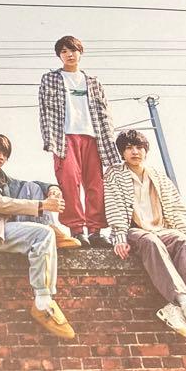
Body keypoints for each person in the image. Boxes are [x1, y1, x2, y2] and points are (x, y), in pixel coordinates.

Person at [104, 128, 186, 337]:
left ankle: (177, 309)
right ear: (122, 153)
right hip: (134, 231)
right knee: (151, 241)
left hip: (162, 229)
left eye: (139, 147)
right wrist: (119, 237)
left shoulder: (158, 176)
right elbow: (114, 205)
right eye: (129, 148)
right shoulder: (114, 174)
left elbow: (176, 208)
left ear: (146, 150)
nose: (135, 152)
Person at [0, 133, 76, 340]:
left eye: (5, 154)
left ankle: (52, 231)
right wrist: (42, 206)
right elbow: (0, 204)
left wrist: (52, 189)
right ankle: (43, 302)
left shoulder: (1, 177)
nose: (1, 157)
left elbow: (29, 184)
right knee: (43, 234)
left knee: (31, 188)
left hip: (8, 227)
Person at [38, 34, 117, 247]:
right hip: (64, 136)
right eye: (64, 51)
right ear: (59, 56)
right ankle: (77, 230)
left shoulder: (93, 82)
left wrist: (109, 137)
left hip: (94, 136)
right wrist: (49, 138)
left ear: (80, 52)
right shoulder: (50, 79)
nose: (69, 55)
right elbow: (45, 109)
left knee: (96, 184)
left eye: (72, 50)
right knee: (69, 182)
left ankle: (95, 231)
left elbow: (105, 112)